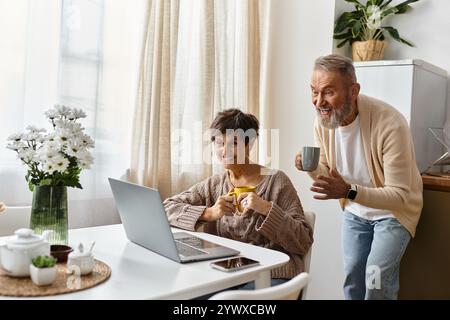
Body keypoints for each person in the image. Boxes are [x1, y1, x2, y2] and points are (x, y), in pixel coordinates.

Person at [295, 54, 422, 300]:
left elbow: (399, 195)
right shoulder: (323, 121)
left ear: (353, 91)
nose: (318, 101)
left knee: (375, 280)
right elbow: (326, 171)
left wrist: (348, 192)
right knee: (353, 276)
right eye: (314, 91)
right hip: (356, 211)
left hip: (393, 214)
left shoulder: (390, 124)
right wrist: (308, 167)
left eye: (328, 92)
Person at [164, 108, 313, 289]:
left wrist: (266, 208)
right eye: (219, 142)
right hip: (227, 276)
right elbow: (167, 208)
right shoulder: (214, 185)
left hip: (271, 276)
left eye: (233, 143)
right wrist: (208, 213)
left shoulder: (276, 181)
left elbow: (303, 240)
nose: (224, 150)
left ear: (248, 145)